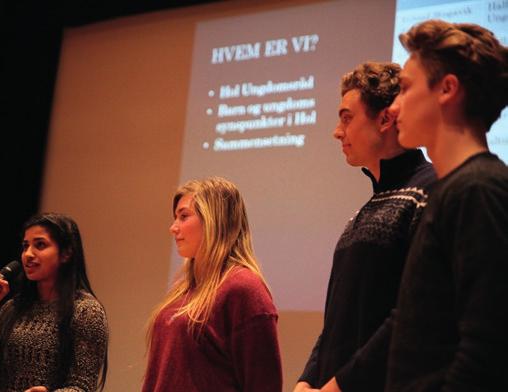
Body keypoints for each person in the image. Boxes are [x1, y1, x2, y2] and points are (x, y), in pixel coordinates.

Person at [295, 62, 436, 392]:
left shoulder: (431, 191)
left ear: (385, 119)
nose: (337, 131)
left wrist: (340, 385)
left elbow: (413, 315)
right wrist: (308, 378)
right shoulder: (359, 216)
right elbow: (337, 325)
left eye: (347, 118)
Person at [386, 19, 508, 391]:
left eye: (405, 89)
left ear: (447, 89)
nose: (393, 107)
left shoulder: (480, 190)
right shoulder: (453, 190)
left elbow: (486, 352)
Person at [142, 176, 282, 392]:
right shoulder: (184, 290)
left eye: (184, 216)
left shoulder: (244, 288)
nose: (173, 228)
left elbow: (264, 384)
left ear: (213, 220)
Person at [0, 212, 109, 392]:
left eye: (40, 245)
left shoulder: (86, 311)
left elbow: (83, 386)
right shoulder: (12, 308)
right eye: (25, 246)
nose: (28, 254)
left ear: (66, 254)